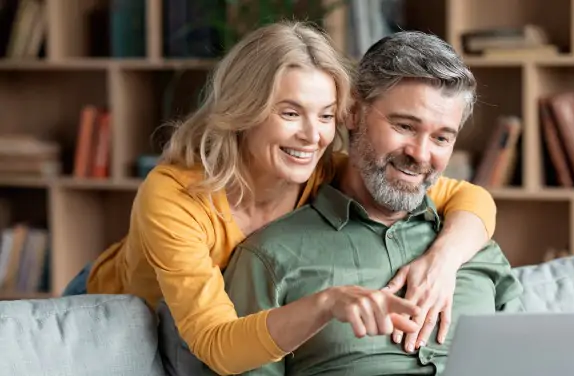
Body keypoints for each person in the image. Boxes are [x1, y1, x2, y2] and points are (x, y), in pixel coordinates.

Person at [62, 21, 499, 375]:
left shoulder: (320, 166)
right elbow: (217, 343)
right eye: (289, 113)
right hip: (114, 308)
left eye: (325, 115)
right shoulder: (175, 195)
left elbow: (470, 198)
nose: (312, 136)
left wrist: (442, 261)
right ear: (243, 110)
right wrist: (328, 302)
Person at [208, 29, 525, 376]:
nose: (420, 154)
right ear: (353, 112)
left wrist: (445, 258)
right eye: (404, 126)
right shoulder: (270, 258)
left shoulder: (473, 246)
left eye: (441, 137)